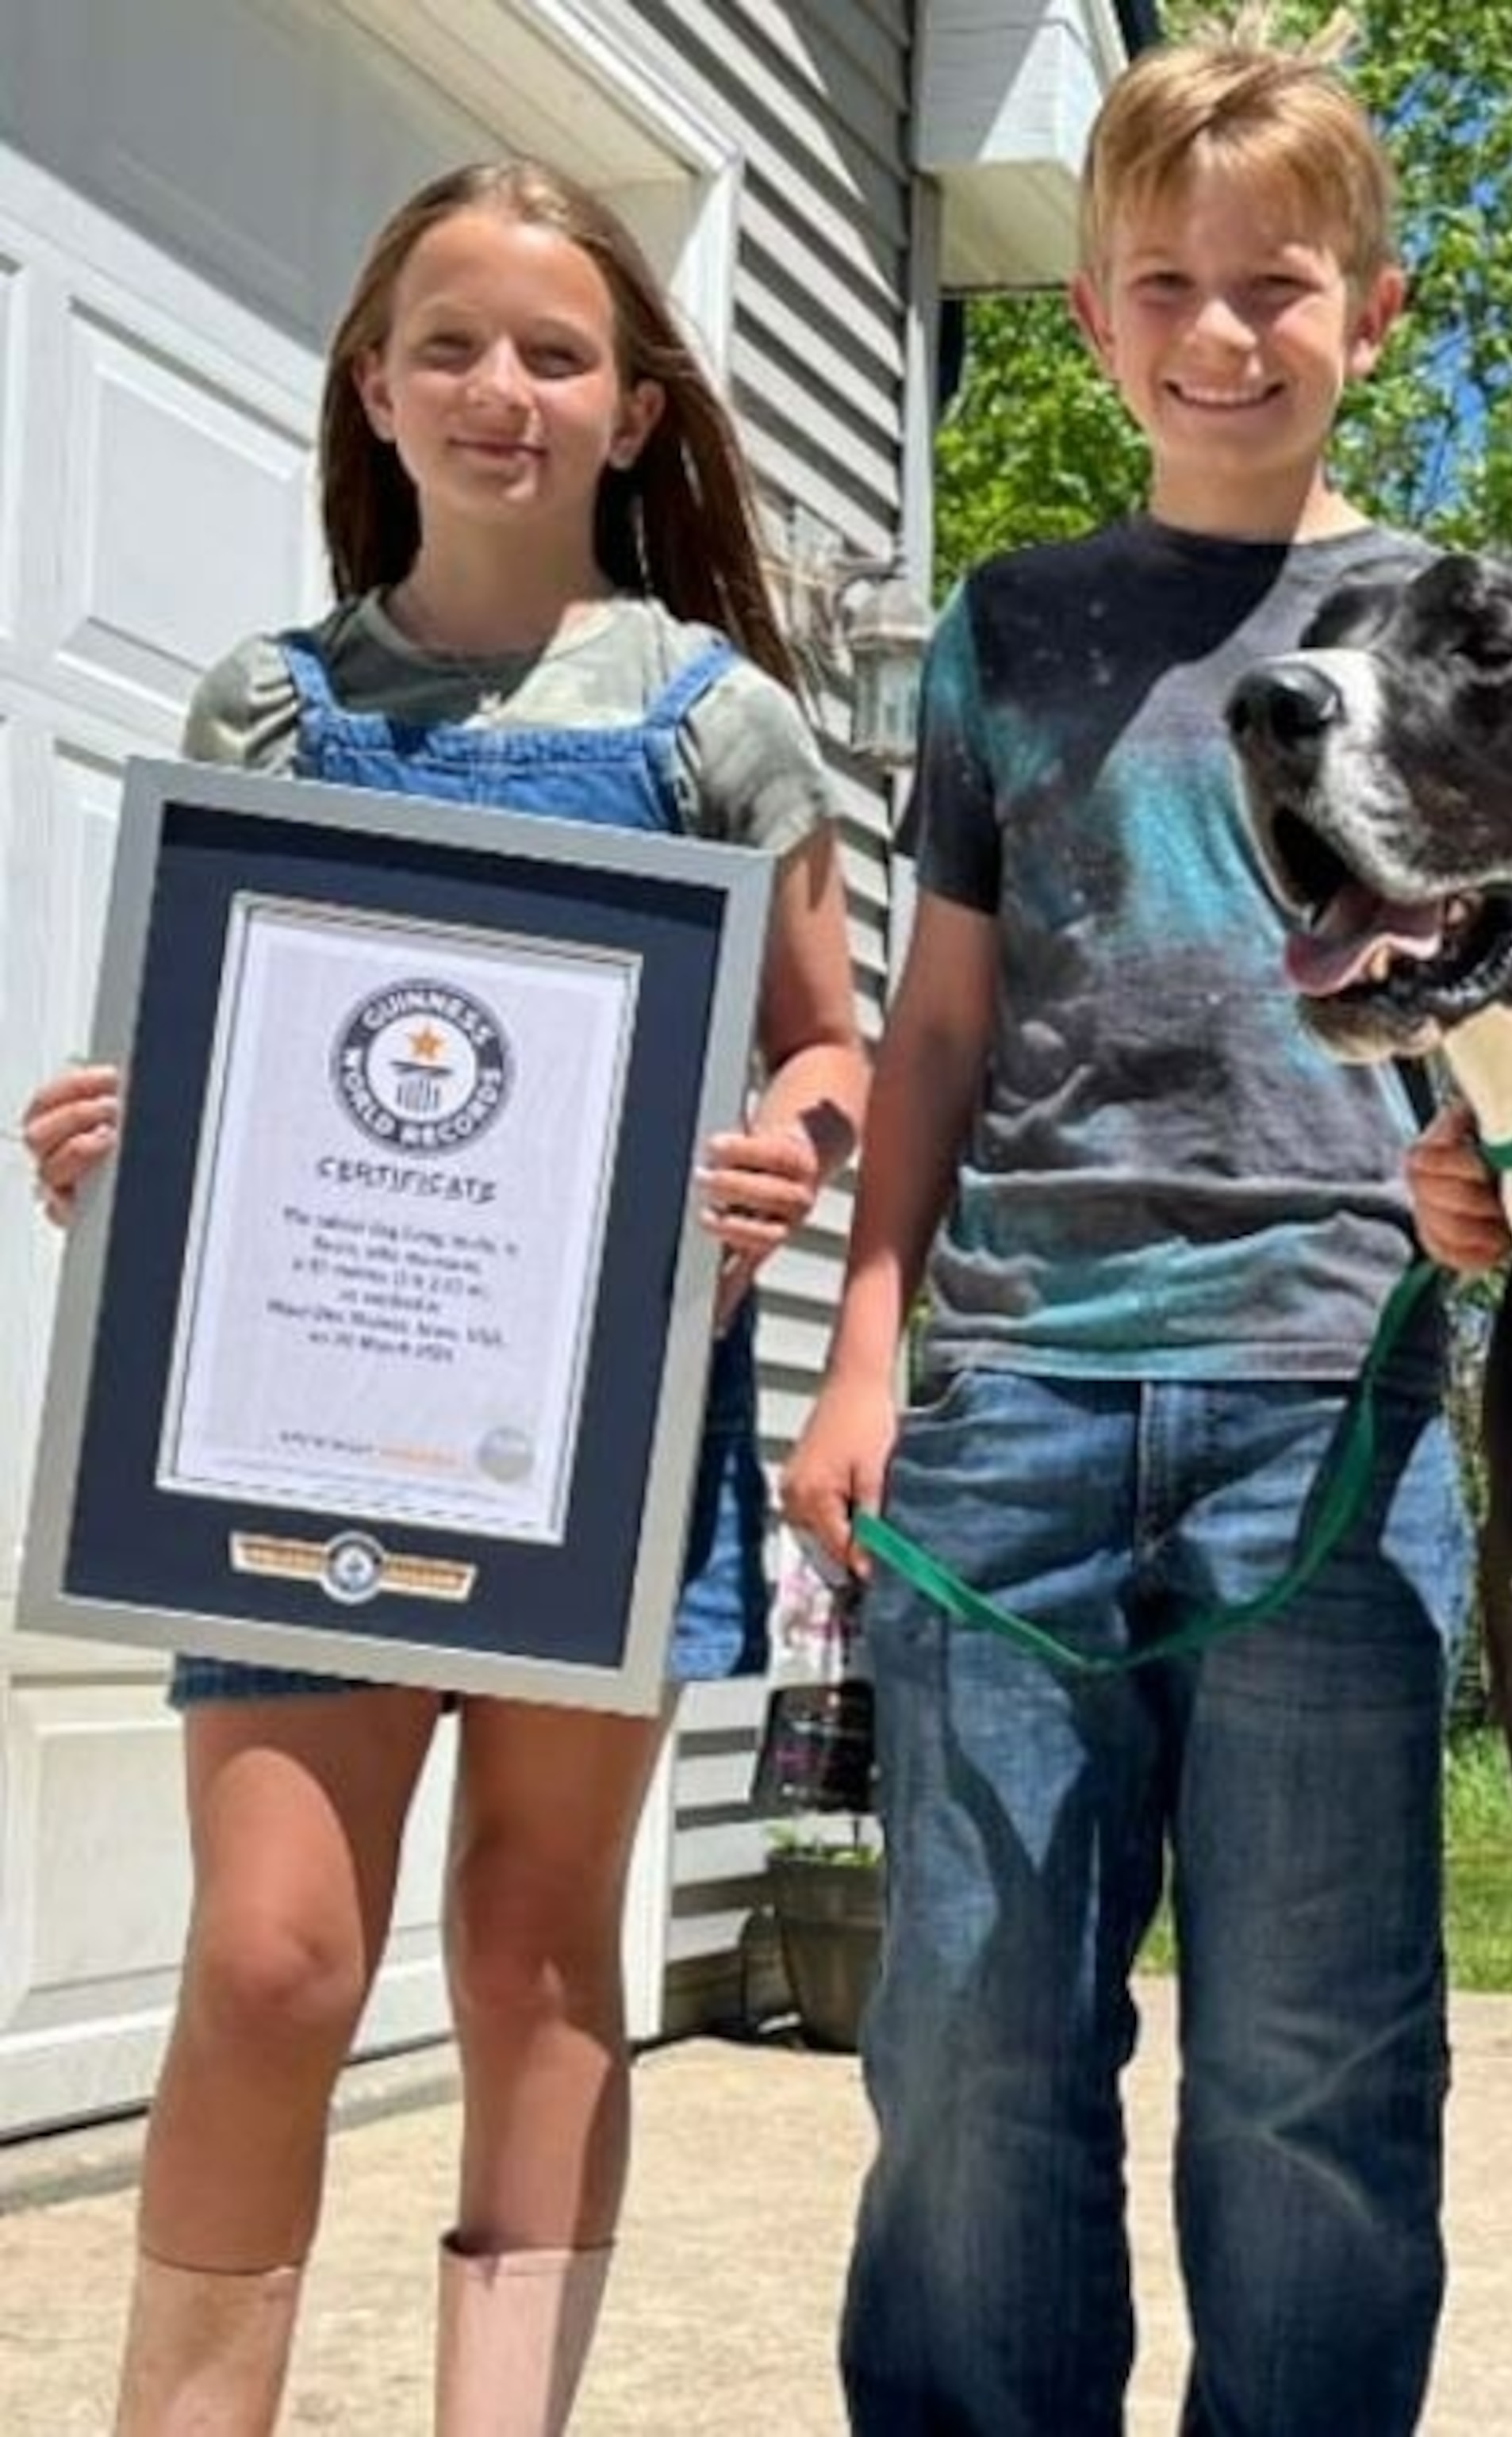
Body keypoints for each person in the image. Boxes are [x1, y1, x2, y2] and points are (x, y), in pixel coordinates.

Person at [19, 159, 865, 2435]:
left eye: (560, 353)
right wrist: (116, 1140)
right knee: (279, 1962)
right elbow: (201, 1040)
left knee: (527, 1946)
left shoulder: (716, 723)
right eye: (457, 344)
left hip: (585, 1441)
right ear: (373, 388)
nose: (507, 389)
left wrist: (794, 1144)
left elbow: (828, 1038)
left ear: (635, 413)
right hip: (285, 1431)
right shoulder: (265, 709)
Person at [781, 36, 1479, 2437]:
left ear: (1373, 309)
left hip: (1338, 1412)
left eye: (1276, 286)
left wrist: (1506, 1166)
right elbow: (943, 1031)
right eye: (1165, 285)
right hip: (1016, 1410)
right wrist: (865, 1354)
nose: (1221, 333)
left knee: (1314, 2060)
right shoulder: (1010, 631)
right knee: (973, 2036)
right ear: (1089, 319)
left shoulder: (1462, 634)